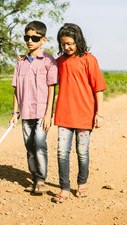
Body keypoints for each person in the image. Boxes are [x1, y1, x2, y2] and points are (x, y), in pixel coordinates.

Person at [52, 23, 107, 203]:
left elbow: (98, 88)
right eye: (63, 44)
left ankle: (82, 183)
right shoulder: (59, 62)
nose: (66, 47)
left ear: (78, 41)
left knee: (82, 152)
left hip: (85, 115)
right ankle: (64, 187)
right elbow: (43, 70)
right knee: (62, 152)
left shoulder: (89, 60)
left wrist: (99, 114)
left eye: (70, 43)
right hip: (64, 115)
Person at [10, 21, 58, 195]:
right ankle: (34, 176)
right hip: (25, 113)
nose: (30, 41)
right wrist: (15, 113)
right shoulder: (20, 62)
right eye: (27, 37)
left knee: (39, 143)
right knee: (29, 146)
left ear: (43, 39)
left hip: (41, 113)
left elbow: (52, 89)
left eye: (34, 38)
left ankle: (41, 179)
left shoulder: (49, 61)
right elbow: (16, 90)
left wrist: (48, 115)